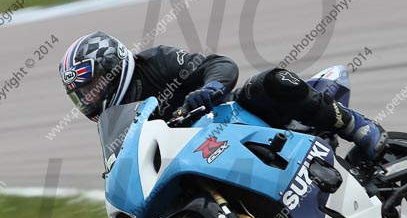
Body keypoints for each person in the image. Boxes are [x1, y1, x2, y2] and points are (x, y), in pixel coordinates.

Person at [58, 31, 387, 160]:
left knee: (271, 81)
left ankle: (355, 125)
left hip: (231, 119)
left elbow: (218, 64)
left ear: (113, 68)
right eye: (81, 95)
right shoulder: (115, 124)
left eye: (92, 86)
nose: (89, 98)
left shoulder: (155, 62)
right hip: (198, 156)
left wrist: (210, 89)